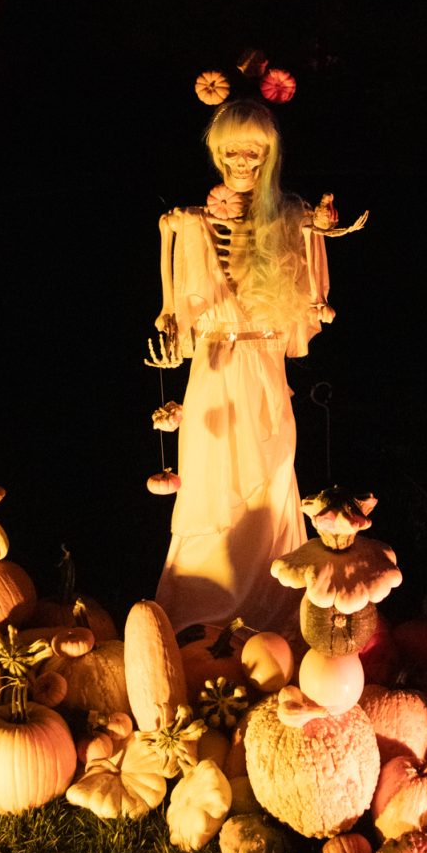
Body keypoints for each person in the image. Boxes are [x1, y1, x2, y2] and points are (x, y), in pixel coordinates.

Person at [152, 96, 336, 639]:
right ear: (217, 153)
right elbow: (178, 310)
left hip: (262, 368)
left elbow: (308, 304)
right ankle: (201, 601)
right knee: (209, 479)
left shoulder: (290, 217)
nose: (243, 164)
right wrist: (170, 330)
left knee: (271, 473)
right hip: (212, 372)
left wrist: (316, 228)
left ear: (269, 155)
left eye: (255, 154)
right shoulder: (191, 223)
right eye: (233, 153)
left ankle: (271, 603)